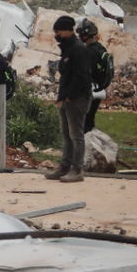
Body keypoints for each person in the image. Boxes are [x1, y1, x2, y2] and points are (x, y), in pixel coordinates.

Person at [48, 15, 91, 182]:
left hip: (77, 98)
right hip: (67, 98)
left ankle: (77, 169)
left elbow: (81, 77)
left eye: (58, 31)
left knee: (76, 135)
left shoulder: (78, 49)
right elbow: (66, 77)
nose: (56, 34)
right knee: (67, 135)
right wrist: (61, 97)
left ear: (67, 30)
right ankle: (64, 167)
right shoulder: (67, 48)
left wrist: (70, 97)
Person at [78, 18, 114, 132]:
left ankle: (85, 147)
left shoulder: (90, 52)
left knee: (83, 122)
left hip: (90, 90)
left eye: (81, 34)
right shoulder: (100, 48)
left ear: (85, 35)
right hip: (99, 89)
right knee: (89, 120)